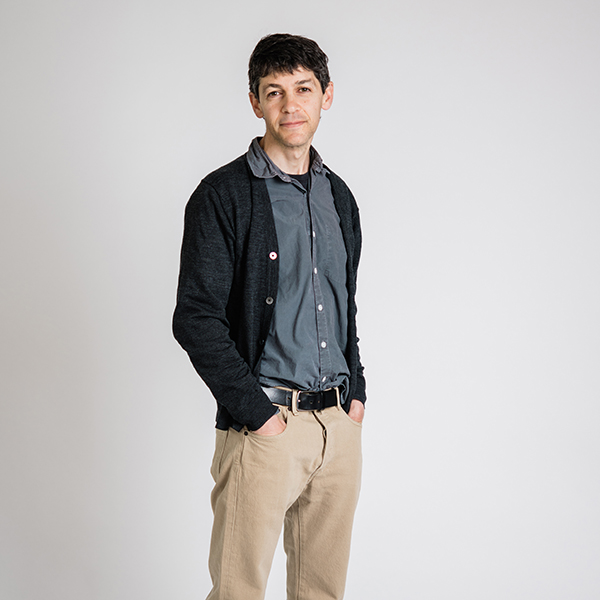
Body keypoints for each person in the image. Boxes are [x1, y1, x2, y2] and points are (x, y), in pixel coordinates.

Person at [173, 33, 366, 600]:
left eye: (303, 89)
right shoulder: (223, 195)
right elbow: (195, 319)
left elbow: (343, 303)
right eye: (274, 92)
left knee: (322, 592)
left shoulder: (340, 198)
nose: (291, 106)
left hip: (338, 426)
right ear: (255, 102)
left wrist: (358, 392)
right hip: (265, 428)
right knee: (238, 592)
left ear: (326, 95)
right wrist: (257, 415)